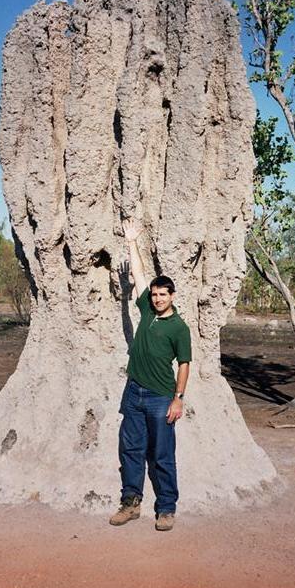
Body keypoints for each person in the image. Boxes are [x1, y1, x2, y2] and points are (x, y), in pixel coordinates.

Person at [109, 217, 191, 532]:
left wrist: (178, 399)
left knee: (162, 453)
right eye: (154, 295)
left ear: (172, 296)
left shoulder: (179, 328)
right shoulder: (146, 310)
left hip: (160, 398)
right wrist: (131, 241)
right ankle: (130, 503)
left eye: (162, 295)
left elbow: (184, 364)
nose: (157, 299)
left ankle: (166, 508)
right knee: (130, 449)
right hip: (134, 393)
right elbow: (140, 274)